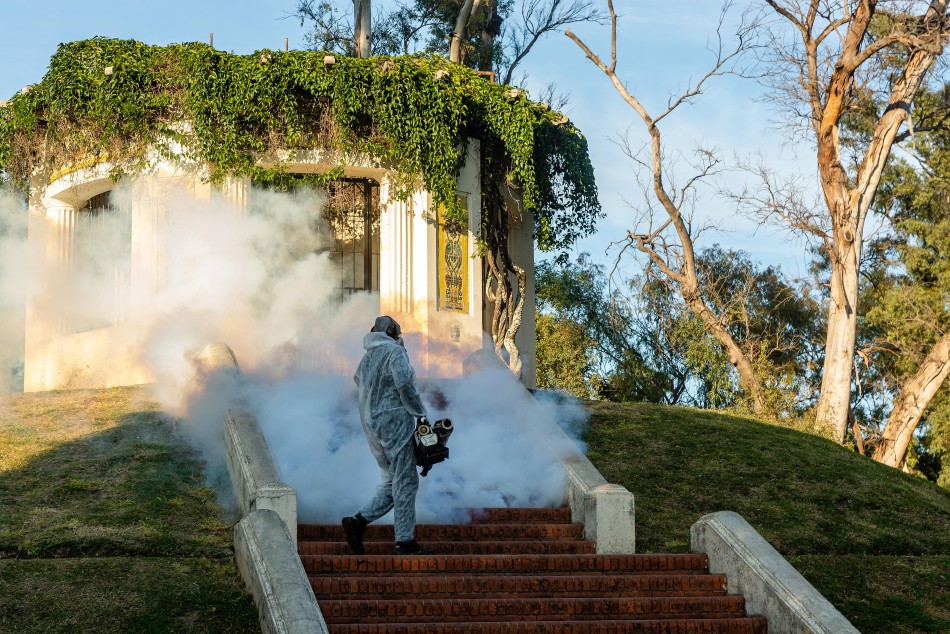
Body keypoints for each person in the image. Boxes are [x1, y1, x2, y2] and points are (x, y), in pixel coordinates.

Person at [342, 315, 431, 555]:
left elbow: (358, 381)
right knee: (406, 480)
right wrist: (419, 412)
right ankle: (405, 541)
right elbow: (405, 384)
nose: (400, 336)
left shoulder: (367, 357)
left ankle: (358, 522)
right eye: (398, 332)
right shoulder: (395, 352)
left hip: (372, 423)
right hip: (395, 420)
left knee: (393, 480)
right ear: (391, 330)